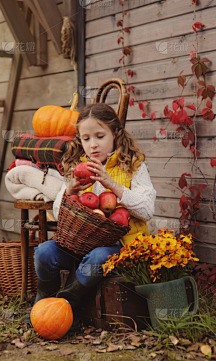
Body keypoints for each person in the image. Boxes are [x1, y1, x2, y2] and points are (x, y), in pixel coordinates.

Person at [33, 103, 157, 331]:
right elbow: (61, 215)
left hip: (121, 245)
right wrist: (70, 190)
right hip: (80, 244)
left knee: (98, 257)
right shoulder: (78, 166)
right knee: (44, 252)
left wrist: (111, 184)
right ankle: (42, 302)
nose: (93, 144)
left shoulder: (133, 164)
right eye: (86, 138)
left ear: (116, 134)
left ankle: (66, 305)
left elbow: (147, 209)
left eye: (100, 136)